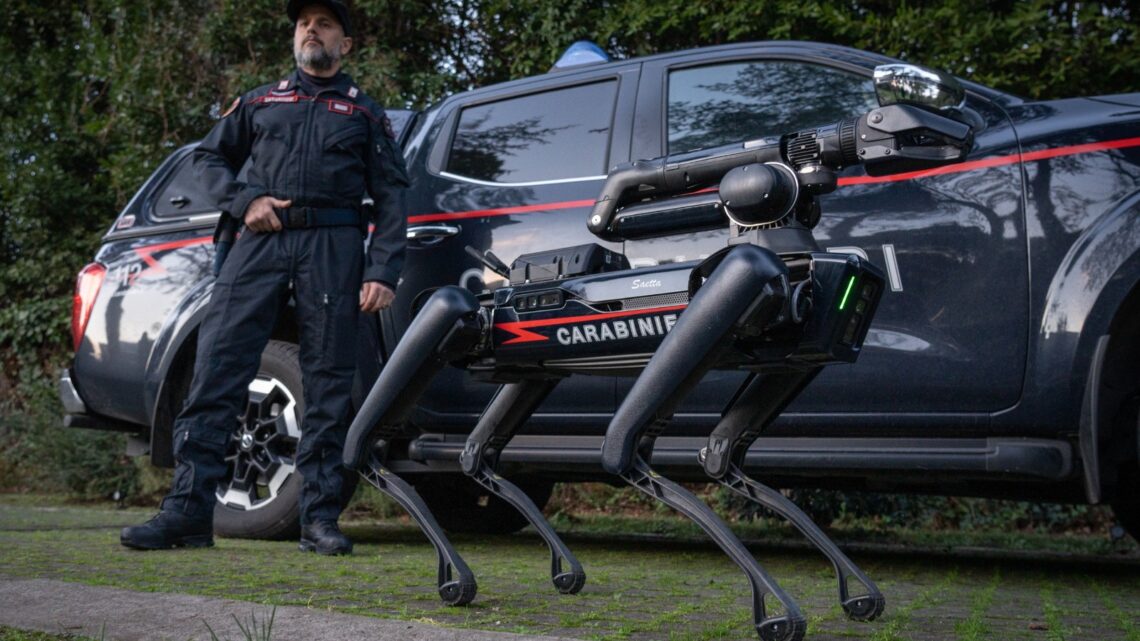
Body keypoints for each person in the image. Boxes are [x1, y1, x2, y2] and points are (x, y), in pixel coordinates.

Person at [121, 0, 408, 555]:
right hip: (259, 242)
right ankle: (186, 514)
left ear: (345, 44)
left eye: (324, 24)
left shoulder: (365, 114)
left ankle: (318, 519)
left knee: (327, 382)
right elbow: (207, 162)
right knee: (217, 369)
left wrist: (383, 268)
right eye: (304, 23)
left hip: (333, 244)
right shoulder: (259, 102)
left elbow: (394, 195)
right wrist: (246, 198)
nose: (311, 30)